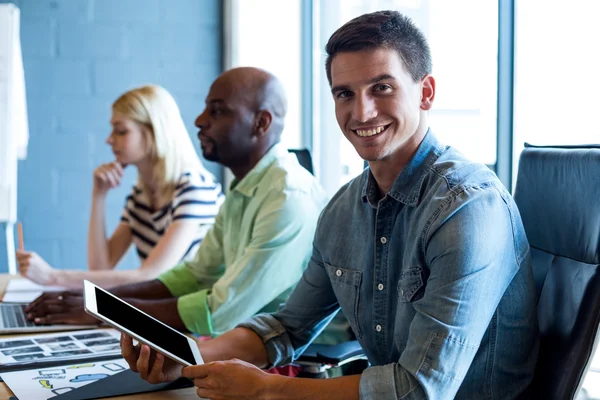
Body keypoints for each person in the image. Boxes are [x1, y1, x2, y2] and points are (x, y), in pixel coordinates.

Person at [121, 10, 540, 400]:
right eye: (344, 94)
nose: (361, 111)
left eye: (382, 87)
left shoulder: (466, 207)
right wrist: (190, 357)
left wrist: (267, 390)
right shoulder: (343, 210)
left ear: (425, 92)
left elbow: (418, 389)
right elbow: (287, 328)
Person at [26, 68, 333, 345]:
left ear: (261, 123)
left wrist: (103, 308)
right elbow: (193, 276)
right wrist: (96, 300)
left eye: (217, 111)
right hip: (235, 341)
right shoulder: (245, 186)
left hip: (286, 358)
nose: (199, 121)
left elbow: (219, 311)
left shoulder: (287, 199)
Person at [16, 85, 223, 289]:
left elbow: (153, 276)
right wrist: (99, 195)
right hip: (166, 308)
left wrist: (54, 277)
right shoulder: (140, 197)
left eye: (121, 131)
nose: (109, 139)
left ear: (154, 132)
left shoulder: (195, 189)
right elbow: (100, 268)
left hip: (196, 316)